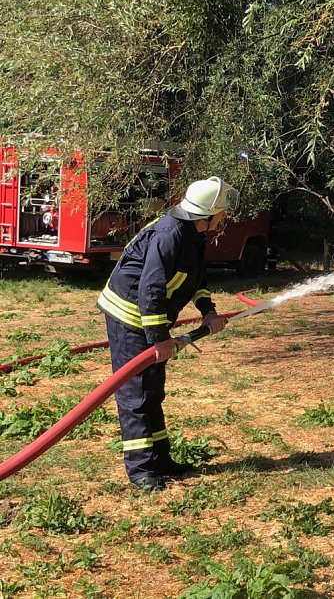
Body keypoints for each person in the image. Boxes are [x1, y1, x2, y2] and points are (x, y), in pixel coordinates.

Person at [97, 176, 238, 491]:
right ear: (209, 213)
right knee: (136, 395)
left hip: (148, 318)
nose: (225, 218)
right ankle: (141, 471)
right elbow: (151, 287)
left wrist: (209, 312)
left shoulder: (195, 234)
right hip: (129, 316)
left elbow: (195, 279)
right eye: (223, 213)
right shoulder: (169, 234)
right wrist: (159, 337)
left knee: (153, 390)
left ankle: (161, 460)